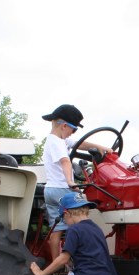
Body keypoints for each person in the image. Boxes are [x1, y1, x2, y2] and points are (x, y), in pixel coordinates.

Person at [41, 104, 113, 260]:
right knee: (80, 224)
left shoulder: (55, 139)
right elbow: (66, 161)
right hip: (62, 189)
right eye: (73, 130)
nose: (72, 134)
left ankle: (57, 264)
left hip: (50, 191)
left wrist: (100, 147)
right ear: (65, 126)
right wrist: (70, 182)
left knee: (56, 229)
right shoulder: (58, 143)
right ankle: (81, 259)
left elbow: (79, 143)